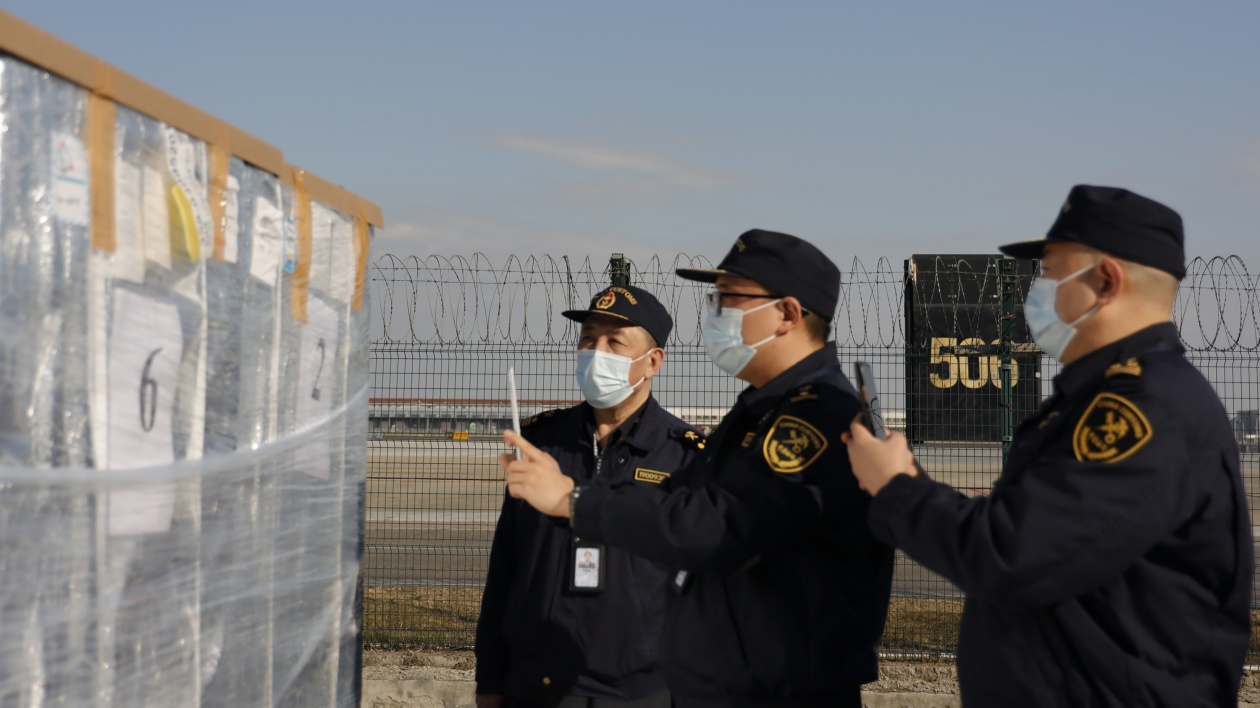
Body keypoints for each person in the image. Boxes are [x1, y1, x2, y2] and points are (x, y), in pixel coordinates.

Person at [844, 185, 1253, 706]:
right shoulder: (1104, 394)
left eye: (1052, 273)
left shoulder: (1140, 409)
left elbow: (1011, 555)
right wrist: (907, 480)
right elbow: (1042, 531)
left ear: (1106, 281)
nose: (1037, 291)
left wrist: (897, 490)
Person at [502, 229, 895, 707]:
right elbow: (678, 498)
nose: (715, 312)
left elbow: (717, 525)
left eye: (730, 299)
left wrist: (574, 501)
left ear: (788, 314)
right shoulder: (759, 410)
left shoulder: (815, 417)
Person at [475, 284, 705, 708]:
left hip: (639, 691)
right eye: (588, 339)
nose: (596, 352)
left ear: (652, 361)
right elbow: (506, 565)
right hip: (535, 686)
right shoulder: (541, 443)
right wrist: (490, 677)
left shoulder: (686, 456)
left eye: (615, 342)